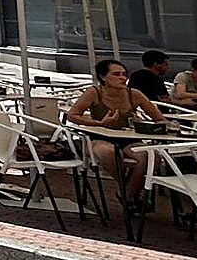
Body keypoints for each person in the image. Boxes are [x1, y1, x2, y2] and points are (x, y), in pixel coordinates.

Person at [67, 59, 167, 209]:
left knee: (150, 157)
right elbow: (72, 115)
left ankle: (126, 195)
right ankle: (129, 187)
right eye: (116, 74)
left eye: (124, 74)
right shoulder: (94, 93)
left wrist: (161, 126)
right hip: (98, 137)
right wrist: (99, 123)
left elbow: (159, 119)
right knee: (109, 153)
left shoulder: (134, 94)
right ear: (103, 77)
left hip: (128, 138)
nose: (122, 78)